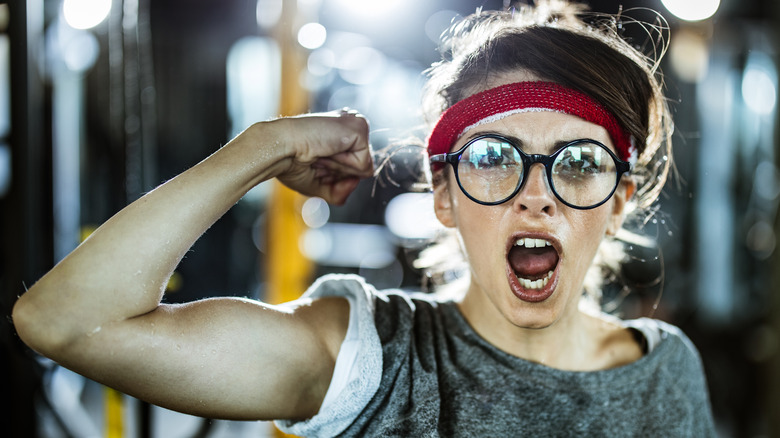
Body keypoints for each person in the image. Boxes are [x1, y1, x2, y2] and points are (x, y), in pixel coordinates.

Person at [12, 1, 716, 436]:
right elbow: (62, 323)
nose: (538, 196)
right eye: (496, 156)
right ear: (444, 194)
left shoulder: (668, 372)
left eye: (581, 163)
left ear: (621, 198)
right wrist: (262, 147)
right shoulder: (370, 360)